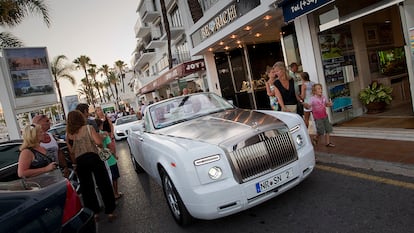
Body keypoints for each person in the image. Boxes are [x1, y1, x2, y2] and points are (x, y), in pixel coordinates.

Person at [66, 110, 116, 222]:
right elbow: (98, 142)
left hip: (80, 161)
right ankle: (110, 211)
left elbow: (71, 152)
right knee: (103, 184)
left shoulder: (68, 135)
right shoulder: (88, 128)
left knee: (87, 188)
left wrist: (74, 164)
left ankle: (94, 213)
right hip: (93, 157)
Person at [95, 119, 123, 200]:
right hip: (109, 159)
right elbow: (110, 146)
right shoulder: (104, 134)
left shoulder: (94, 136)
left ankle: (108, 196)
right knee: (114, 177)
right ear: (100, 125)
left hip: (101, 161)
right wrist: (115, 155)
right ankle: (116, 193)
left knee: (105, 180)